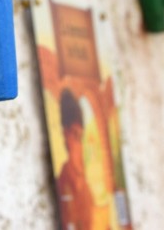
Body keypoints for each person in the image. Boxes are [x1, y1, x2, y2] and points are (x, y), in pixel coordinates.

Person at [57, 89, 93, 230]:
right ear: (66, 135)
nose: (80, 146)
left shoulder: (86, 188)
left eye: (81, 137)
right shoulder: (63, 181)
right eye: (75, 136)